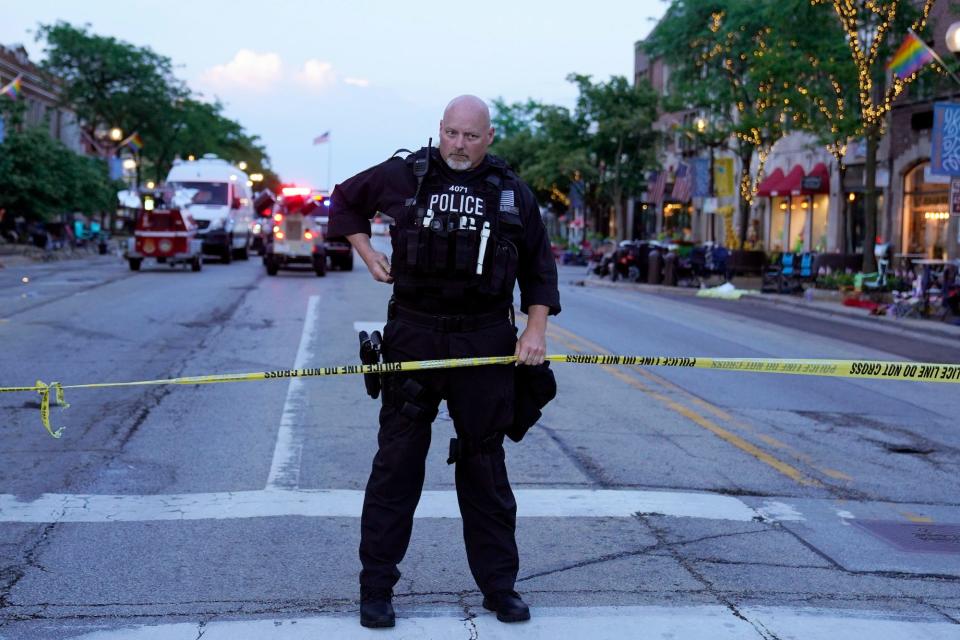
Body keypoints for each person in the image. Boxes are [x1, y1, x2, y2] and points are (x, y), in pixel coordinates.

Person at [328, 94, 560, 628]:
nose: (459, 145)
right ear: (440, 131)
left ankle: (500, 588)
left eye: (471, 136)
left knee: (485, 466)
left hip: (484, 339)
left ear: (489, 137)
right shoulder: (404, 174)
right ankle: (376, 590)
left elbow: (538, 267)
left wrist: (536, 330)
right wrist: (368, 253)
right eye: (452, 134)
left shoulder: (511, 193)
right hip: (414, 335)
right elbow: (343, 202)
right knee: (397, 464)